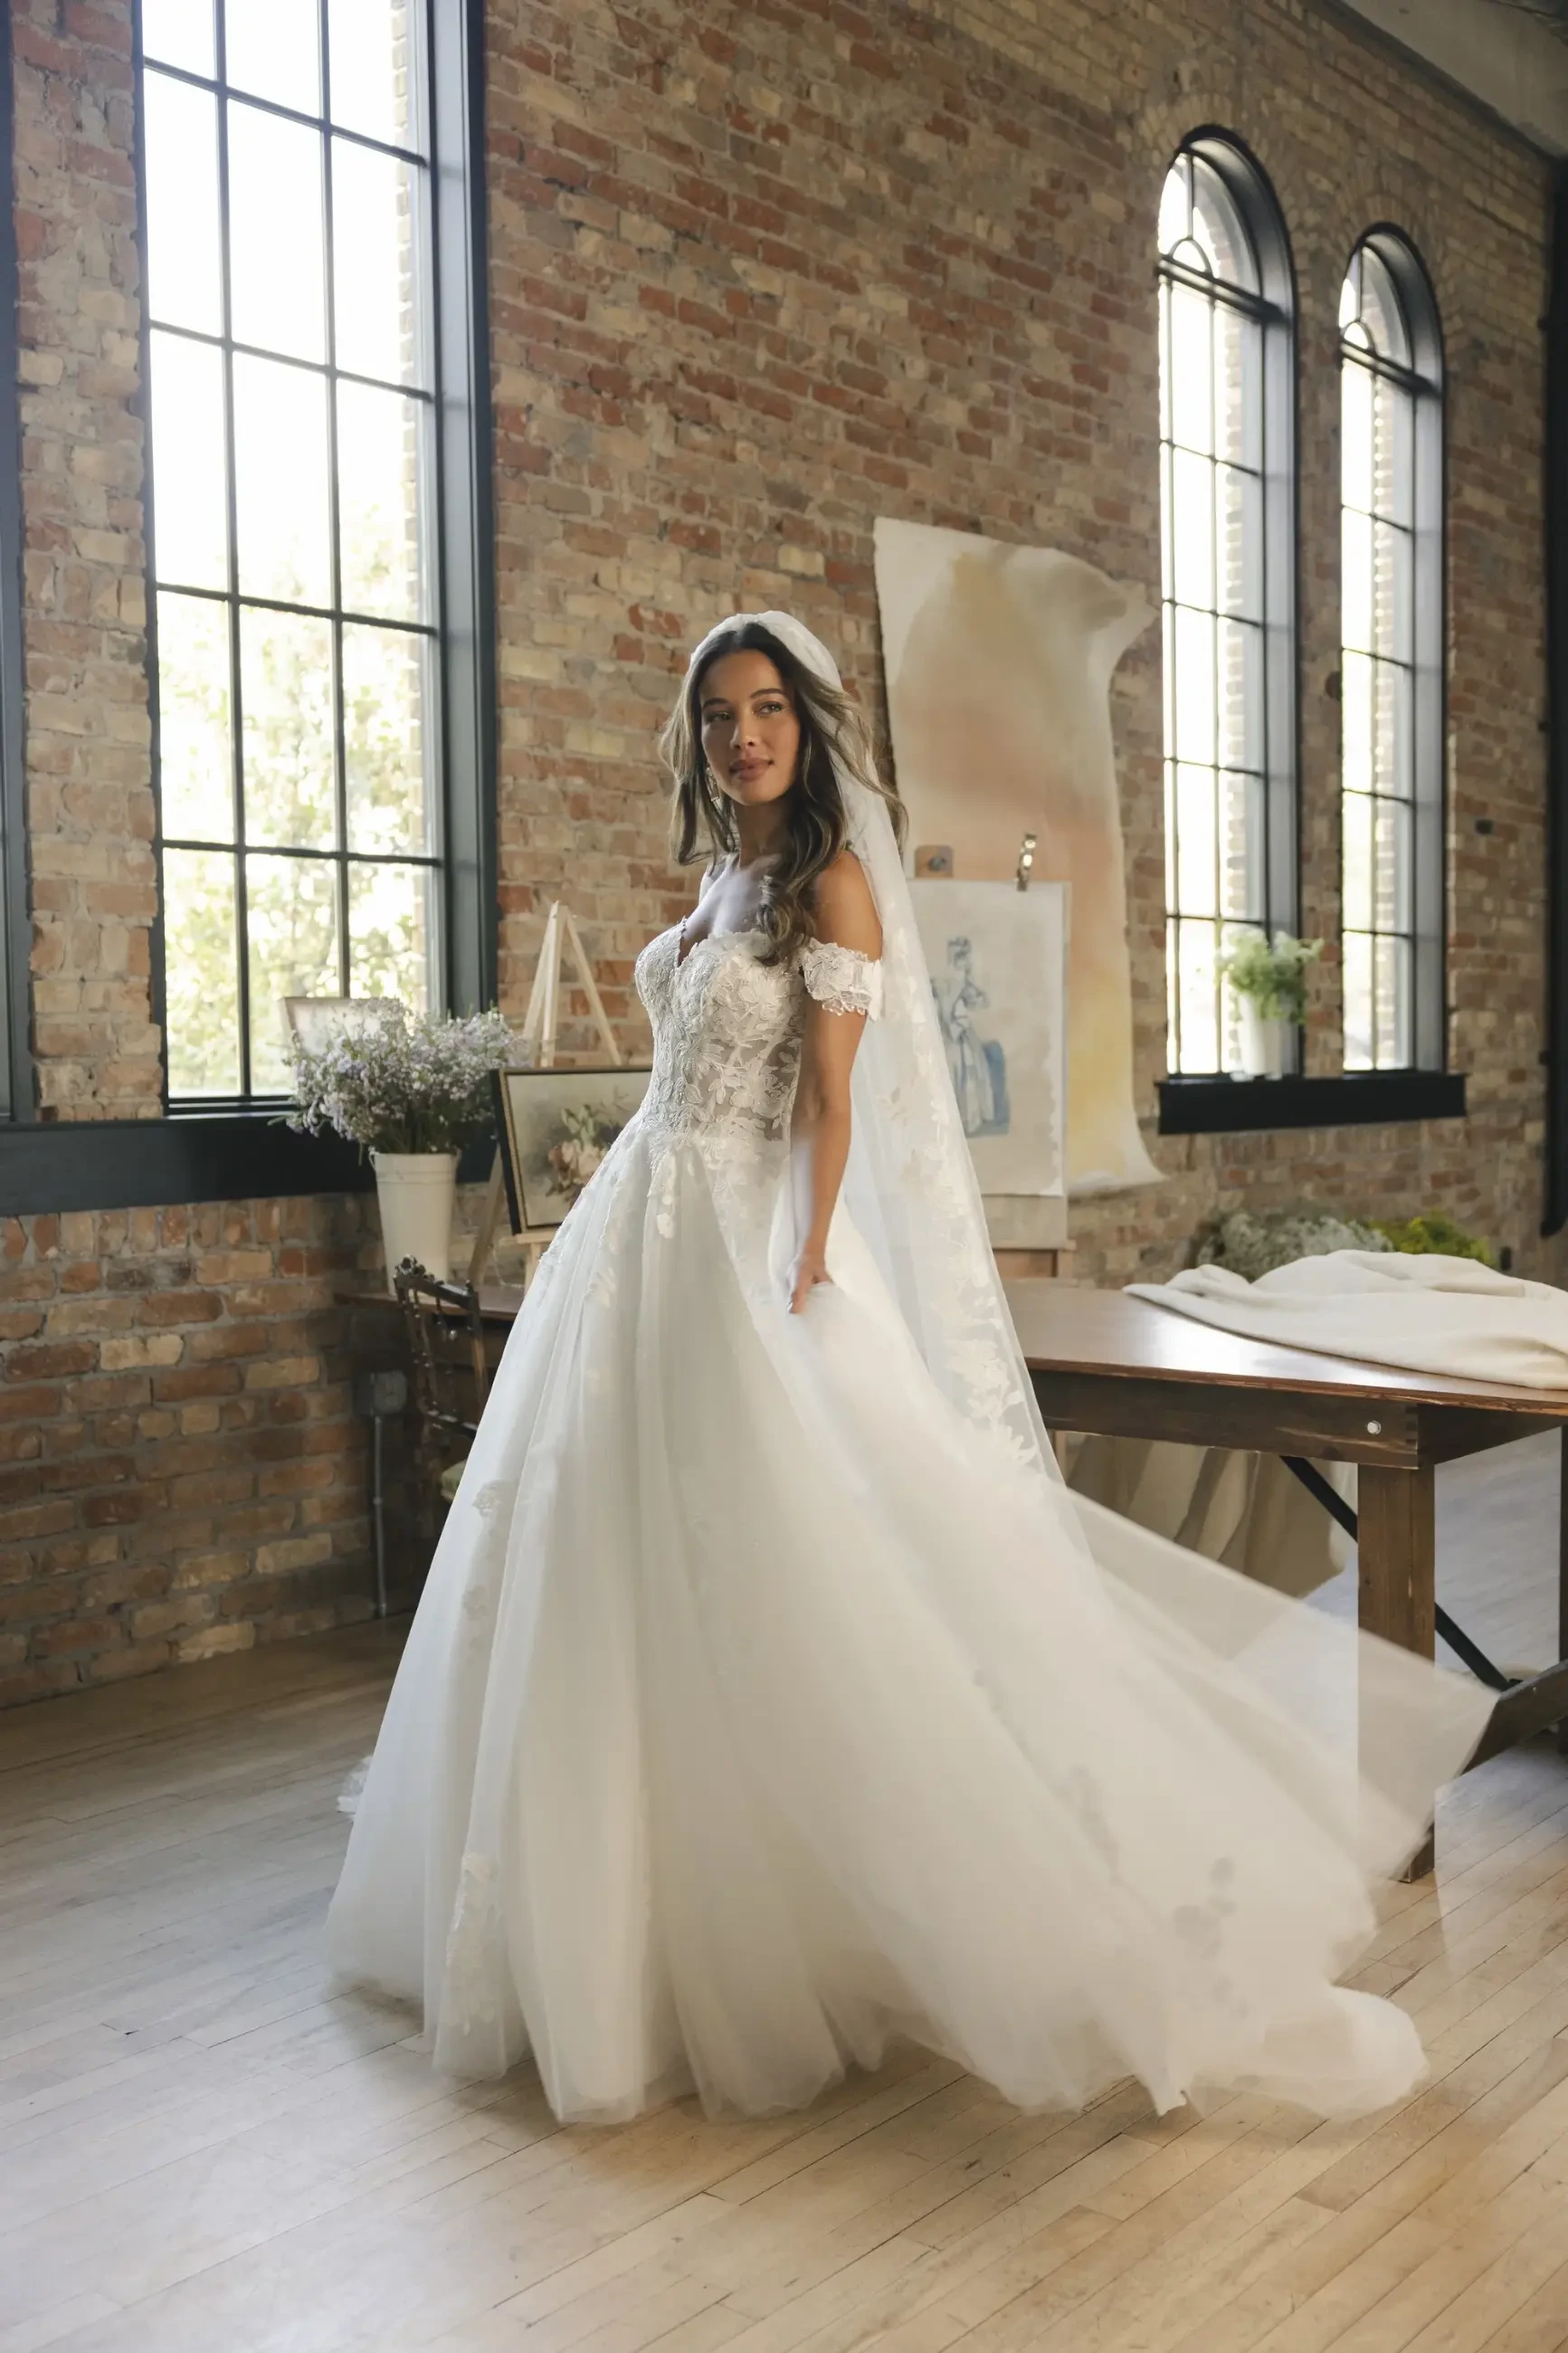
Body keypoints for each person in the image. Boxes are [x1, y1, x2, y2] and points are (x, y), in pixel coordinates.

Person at [325, 611, 1490, 2129]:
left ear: (807, 730)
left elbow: (831, 1105)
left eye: (767, 711)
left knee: (801, 1564)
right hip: (635, 1241)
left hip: (744, 1238)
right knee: (598, 1555)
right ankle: (613, 1919)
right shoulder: (720, 876)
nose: (743, 735)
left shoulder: (833, 884)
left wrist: (805, 1257)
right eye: (721, 714)